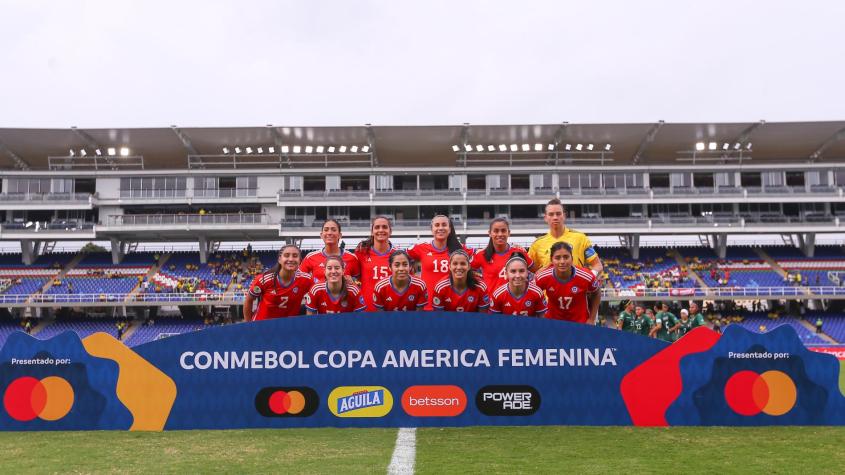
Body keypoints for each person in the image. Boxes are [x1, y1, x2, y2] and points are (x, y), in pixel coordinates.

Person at [407, 215, 469, 310]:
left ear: (449, 229)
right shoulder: (421, 248)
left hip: (453, 306)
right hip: (428, 305)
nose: (440, 228)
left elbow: (479, 259)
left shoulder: (460, 248)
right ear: (432, 229)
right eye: (437, 225)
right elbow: (400, 259)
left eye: (444, 225)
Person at [528, 198, 603, 276]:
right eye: (551, 214)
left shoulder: (580, 238)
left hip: (576, 288)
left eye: (558, 214)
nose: (555, 217)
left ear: (564, 216)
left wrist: (589, 278)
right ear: (546, 218)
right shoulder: (537, 244)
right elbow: (528, 269)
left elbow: (597, 265)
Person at [533, 241, 601, 324]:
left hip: (580, 324)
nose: (562, 261)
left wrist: (591, 319)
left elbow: (596, 293)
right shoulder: (542, 277)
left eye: (566, 257)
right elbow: (531, 294)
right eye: (557, 258)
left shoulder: (586, 276)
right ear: (551, 260)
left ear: (572, 258)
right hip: (553, 324)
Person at [243, 244, 313, 321]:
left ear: (300, 260)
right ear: (279, 259)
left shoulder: (306, 279)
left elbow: (319, 293)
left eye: (295, 256)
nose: (291, 259)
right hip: (262, 326)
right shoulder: (264, 279)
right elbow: (249, 300)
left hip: (288, 327)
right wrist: (248, 325)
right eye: (286, 255)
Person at [471, 218, 534, 293]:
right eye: (496, 231)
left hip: (514, 302)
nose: (500, 234)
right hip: (491, 302)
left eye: (503, 231)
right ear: (490, 233)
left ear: (509, 233)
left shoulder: (519, 252)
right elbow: (467, 272)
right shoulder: (481, 254)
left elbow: (535, 271)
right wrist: (480, 281)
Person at [299, 219, 361, 284]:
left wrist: (353, 282)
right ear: (321, 235)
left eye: (333, 230)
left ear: (340, 235)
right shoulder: (310, 257)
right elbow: (299, 281)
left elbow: (360, 282)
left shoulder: (352, 258)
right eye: (326, 230)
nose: (329, 233)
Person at [354, 216, 394, 311]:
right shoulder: (361, 253)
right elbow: (354, 276)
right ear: (372, 232)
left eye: (384, 227)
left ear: (390, 231)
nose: (381, 230)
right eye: (377, 227)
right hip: (367, 309)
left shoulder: (397, 256)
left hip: (390, 310)